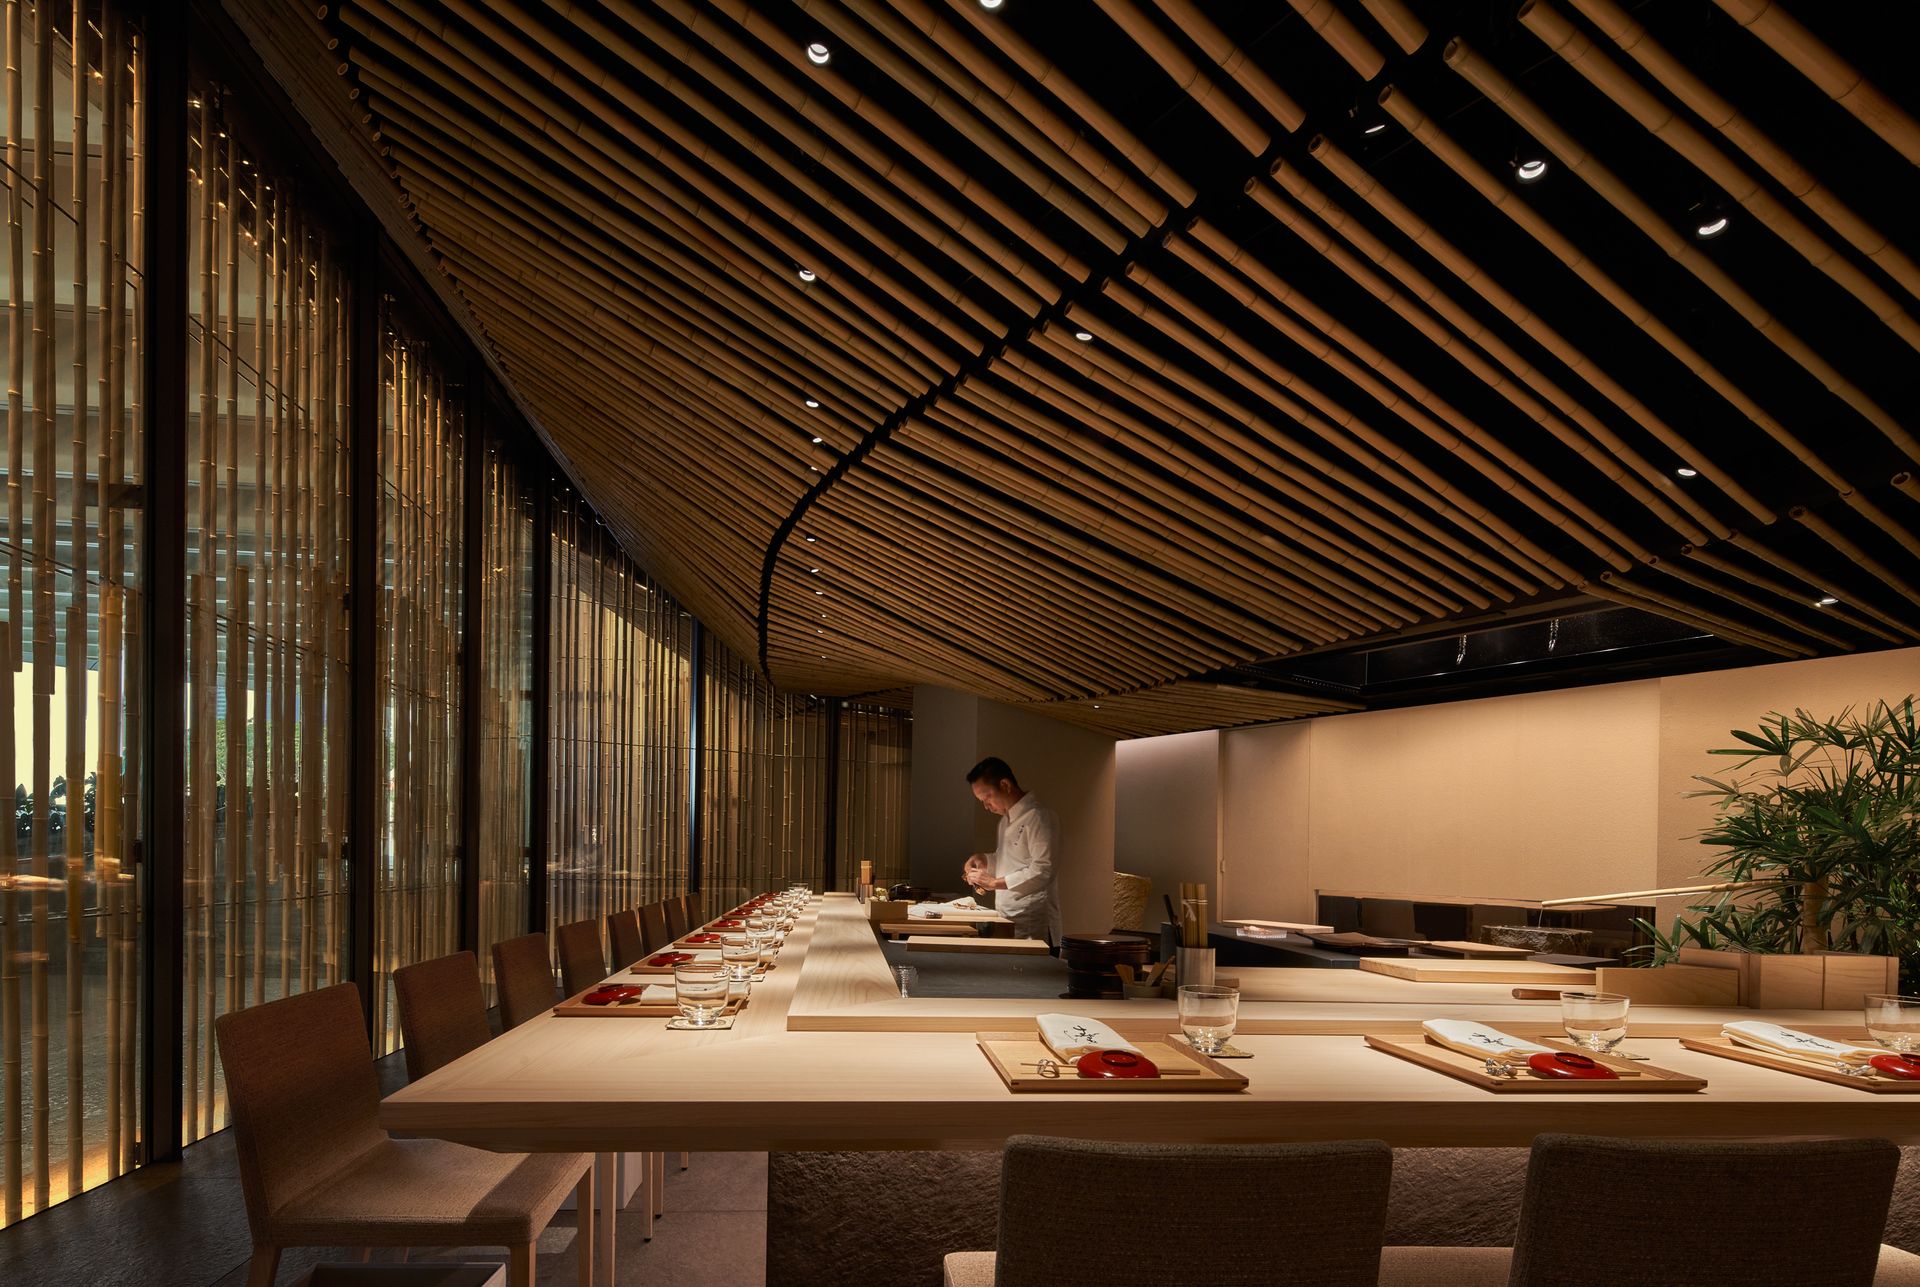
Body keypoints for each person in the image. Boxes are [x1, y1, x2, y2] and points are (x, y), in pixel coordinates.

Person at [960, 757, 1061, 946]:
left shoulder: (1039, 817)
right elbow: (1010, 860)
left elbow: (1043, 870)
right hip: (1008, 918)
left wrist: (994, 882)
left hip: (1034, 923)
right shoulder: (1006, 821)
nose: (986, 806)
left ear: (1005, 785)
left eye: (987, 797)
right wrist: (983, 860)